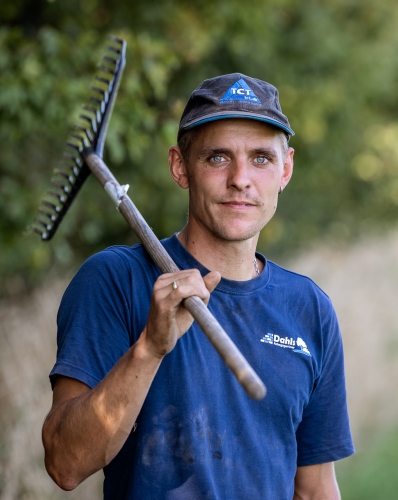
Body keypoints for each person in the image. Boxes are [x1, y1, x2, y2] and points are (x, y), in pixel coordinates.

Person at [42, 73, 355, 499]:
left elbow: (315, 490)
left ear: (286, 169)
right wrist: (150, 348)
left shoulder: (308, 307)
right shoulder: (115, 279)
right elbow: (65, 463)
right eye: (218, 157)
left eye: (261, 158)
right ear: (180, 166)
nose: (241, 178)